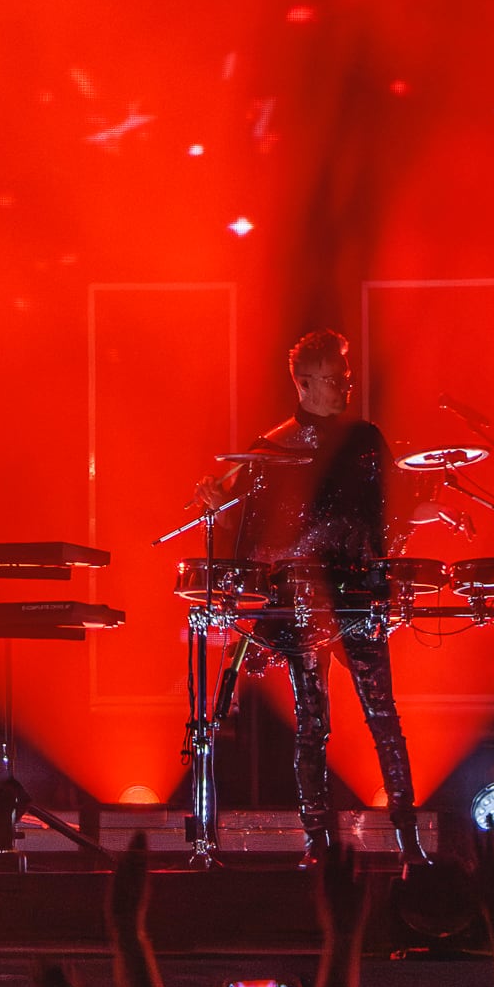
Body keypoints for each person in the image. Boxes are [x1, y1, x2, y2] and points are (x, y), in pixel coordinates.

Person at [200, 330, 421, 862]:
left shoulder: (365, 439)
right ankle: (316, 841)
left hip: (358, 590)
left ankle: (408, 839)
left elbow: (395, 512)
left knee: (383, 714)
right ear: (302, 383)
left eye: (346, 378)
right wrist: (219, 506)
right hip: (300, 595)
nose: (346, 386)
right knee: (312, 721)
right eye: (335, 379)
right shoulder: (271, 448)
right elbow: (251, 533)